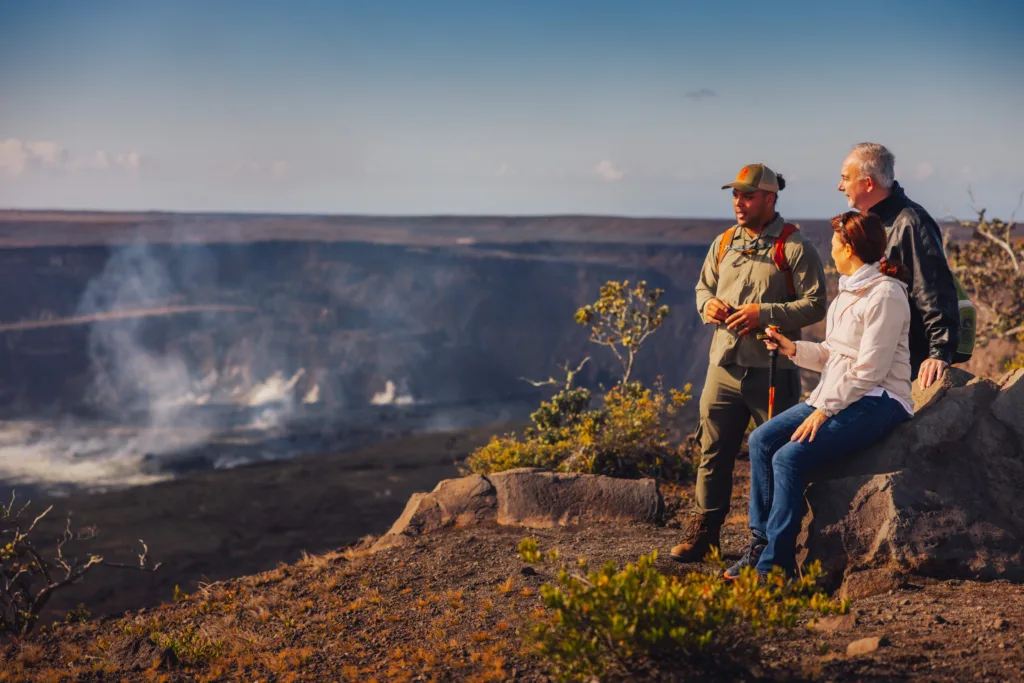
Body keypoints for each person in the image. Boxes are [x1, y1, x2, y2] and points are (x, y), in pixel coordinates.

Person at [724, 211, 914, 580]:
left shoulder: (886, 295)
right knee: (762, 440)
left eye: (834, 245)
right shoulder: (849, 290)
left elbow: (870, 370)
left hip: (881, 399)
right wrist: (791, 348)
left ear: (849, 248)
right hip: (844, 393)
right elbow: (832, 352)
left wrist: (824, 410)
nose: (830, 251)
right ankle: (760, 544)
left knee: (789, 458)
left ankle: (775, 569)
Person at [670, 163, 828, 563]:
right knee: (712, 449)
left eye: (748, 195)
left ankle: (774, 543)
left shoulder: (793, 247)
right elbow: (702, 287)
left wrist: (763, 314)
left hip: (773, 368)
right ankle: (705, 533)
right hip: (722, 365)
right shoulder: (724, 243)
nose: (739, 203)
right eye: (736, 195)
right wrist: (709, 304)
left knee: (778, 455)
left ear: (770, 198)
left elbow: (815, 304)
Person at [838, 142, 960, 388]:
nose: (840, 186)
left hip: (907, 363)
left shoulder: (911, 223)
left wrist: (939, 352)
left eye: (846, 178)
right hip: (877, 359)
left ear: (868, 183)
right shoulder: (873, 223)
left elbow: (932, 288)